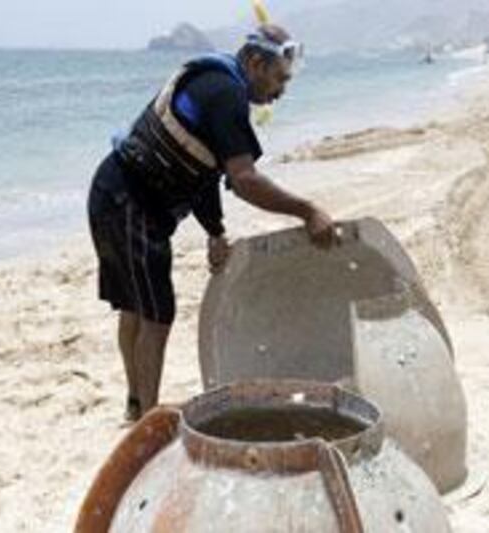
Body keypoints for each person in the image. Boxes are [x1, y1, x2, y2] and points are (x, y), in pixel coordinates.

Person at [87, 24, 338, 421]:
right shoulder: (227, 94)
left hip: (113, 194)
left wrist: (215, 231)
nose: (281, 91)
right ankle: (147, 419)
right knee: (155, 312)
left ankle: (137, 407)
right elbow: (245, 179)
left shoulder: (217, 85)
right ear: (255, 63)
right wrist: (308, 211)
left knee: (136, 307)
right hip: (128, 201)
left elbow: (202, 169)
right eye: (279, 78)